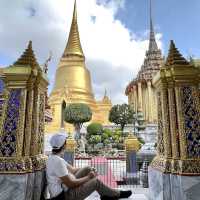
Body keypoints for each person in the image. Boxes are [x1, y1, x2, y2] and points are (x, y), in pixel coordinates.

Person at [46, 133, 132, 200]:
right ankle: (116, 194)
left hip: (65, 189)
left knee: (88, 169)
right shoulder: (58, 162)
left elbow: (73, 170)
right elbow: (71, 184)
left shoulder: (53, 157)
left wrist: (90, 169)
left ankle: (107, 195)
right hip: (65, 196)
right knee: (96, 182)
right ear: (63, 146)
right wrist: (88, 177)